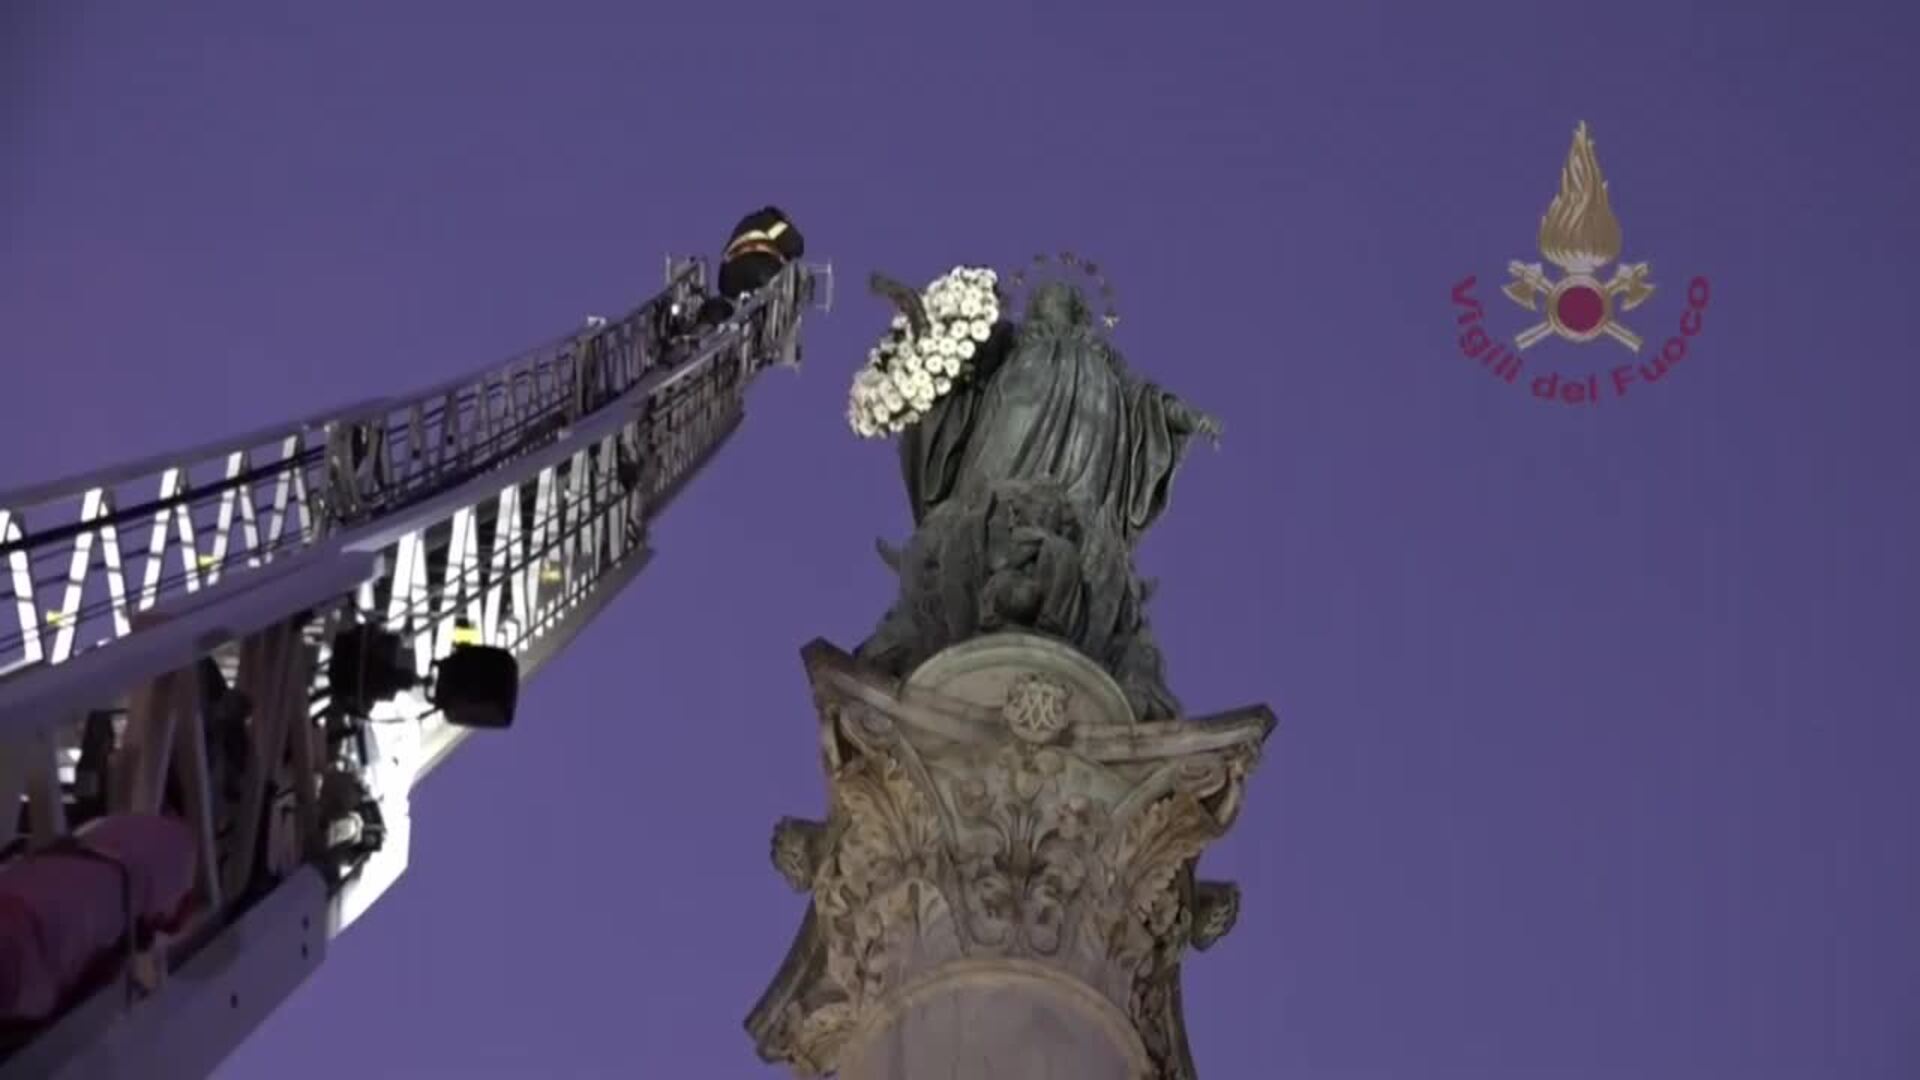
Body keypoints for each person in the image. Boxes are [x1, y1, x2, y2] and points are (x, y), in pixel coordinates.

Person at [696, 206, 805, 328]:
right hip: (760, 267)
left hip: (728, 274)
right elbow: (796, 245)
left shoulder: (747, 222)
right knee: (775, 300)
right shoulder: (777, 223)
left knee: (732, 307)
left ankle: (714, 319)